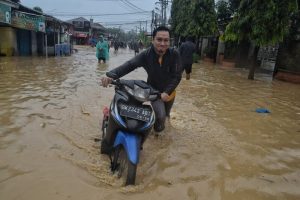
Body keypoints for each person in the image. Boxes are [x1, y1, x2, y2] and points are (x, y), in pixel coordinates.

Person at [101, 26, 182, 134]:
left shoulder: (174, 54)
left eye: (166, 40)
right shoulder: (146, 55)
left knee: (166, 115)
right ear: (152, 40)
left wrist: (167, 92)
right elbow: (129, 65)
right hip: (154, 91)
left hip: (170, 93)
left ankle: (161, 134)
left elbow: (177, 76)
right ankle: (157, 135)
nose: (162, 44)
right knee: (161, 116)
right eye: (159, 40)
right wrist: (111, 75)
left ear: (169, 42)